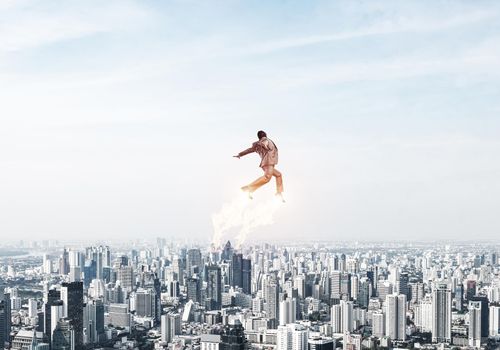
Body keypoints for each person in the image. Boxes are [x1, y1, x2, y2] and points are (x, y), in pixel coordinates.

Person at [234, 130, 284, 202]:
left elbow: (249, 150)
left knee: (278, 175)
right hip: (268, 162)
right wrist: (264, 144)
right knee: (267, 178)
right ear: (265, 135)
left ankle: (279, 192)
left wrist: (240, 154)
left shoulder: (257, 144)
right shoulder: (265, 140)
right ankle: (248, 188)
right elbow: (264, 143)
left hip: (266, 163)